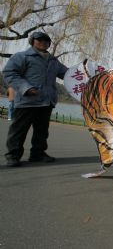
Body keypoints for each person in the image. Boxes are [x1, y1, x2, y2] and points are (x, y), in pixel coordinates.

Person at [3, 31, 68, 167]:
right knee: (19, 130)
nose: (43, 42)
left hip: (46, 101)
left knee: (42, 131)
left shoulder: (53, 61)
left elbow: (68, 75)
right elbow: (9, 73)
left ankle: (37, 154)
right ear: (32, 41)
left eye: (46, 40)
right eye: (39, 39)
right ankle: (13, 155)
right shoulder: (22, 56)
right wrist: (25, 88)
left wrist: (84, 71)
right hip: (26, 101)